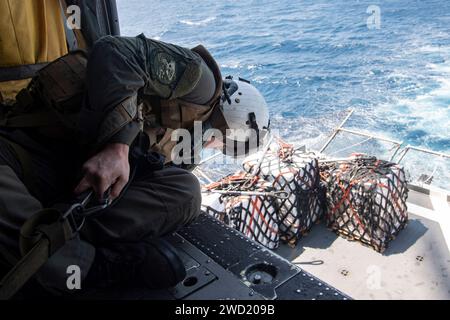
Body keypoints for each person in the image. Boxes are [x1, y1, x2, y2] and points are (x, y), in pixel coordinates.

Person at [0, 34, 270, 295]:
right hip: (28, 151)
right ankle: (85, 264)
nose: (212, 147)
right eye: (220, 144)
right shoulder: (201, 82)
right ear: (230, 129)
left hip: (74, 187)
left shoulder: (183, 146)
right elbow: (112, 52)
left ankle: (62, 232)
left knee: (186, 192)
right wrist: (117, 146)